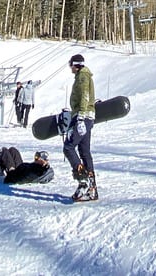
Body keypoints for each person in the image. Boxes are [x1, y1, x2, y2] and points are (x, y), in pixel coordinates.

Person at [62, 53, 97, 202]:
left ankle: (83, 181)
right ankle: (92, 189)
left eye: (70, 64)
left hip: (83, 116)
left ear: (75, 65)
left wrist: (81, 117)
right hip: (86, 115)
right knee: (84, 151)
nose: (70, 67)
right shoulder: (83, 75)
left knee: (68, 147)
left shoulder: (82, 76)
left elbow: (85, 96)